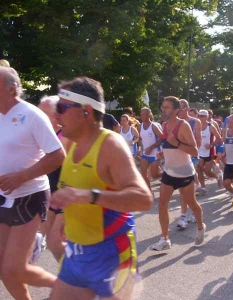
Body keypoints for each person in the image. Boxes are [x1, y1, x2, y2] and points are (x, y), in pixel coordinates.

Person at [50, 77, 153, 299]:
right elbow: (73, 190)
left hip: (112, 255)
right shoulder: (69, 143)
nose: (56, 114)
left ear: (85, 111)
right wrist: (63, 217)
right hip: (77, 253)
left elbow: (143, 198)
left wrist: (90, 196)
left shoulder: (110, 145)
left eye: (61, 107)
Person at [0, 67, 65, 300]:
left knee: (14, 269)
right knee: (4, 270)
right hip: (3, 198)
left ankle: (67, 286)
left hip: (30, 195)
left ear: (12, 88)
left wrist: (21, 176)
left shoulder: (32, 115)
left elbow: (58, 155)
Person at [150, 96, 205, 250]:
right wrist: (164, 153)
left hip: (184, 173)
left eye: (167, 107)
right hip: (169, 171)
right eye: (163, 107)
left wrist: (177, 143)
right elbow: (169, 146)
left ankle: (201, 227)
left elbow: (194, 150)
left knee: (192, 204)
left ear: (175, 110)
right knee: (162, 205)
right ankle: (165, 239)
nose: (163, 109)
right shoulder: (164, 125)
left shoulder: (184, 125)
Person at [37, 95, 71, 262]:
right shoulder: (46, 134)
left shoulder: (64, 136)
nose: (37, 115)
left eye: (42, 112)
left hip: (64, 197)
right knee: (53, 243)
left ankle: (74, 281)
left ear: (55, 115)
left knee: (57, 242)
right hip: (51, 196)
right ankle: (69, 279)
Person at [176, 99, 202, 227]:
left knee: (187, 190)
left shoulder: (195, 122)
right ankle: (185, 215)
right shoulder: (175, 122)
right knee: (182, 190)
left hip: (191, 158)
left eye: (180, 109)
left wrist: (183, 144)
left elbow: (199, 143)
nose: (178, 111)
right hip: (178, 158)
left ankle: (185, 215)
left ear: (186, 109)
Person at [196, 110, 223, 194]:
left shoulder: (210, 126)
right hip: (199, 151)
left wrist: (211, 145)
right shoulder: (196, 126)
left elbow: (219, 138)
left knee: (206, 171)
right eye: (199, 116)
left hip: (209, 152)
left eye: (202, 116)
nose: (200, 117)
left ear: (207, 117)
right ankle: (203, 187)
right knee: (199, 169)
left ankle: (217, 177)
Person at [138, 107, 163, 189]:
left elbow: (162, 138)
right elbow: (140, 139)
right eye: (141, 114)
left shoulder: (154, 126)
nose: (142, 116)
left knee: (155, 175)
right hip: (145, 154)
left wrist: (151, 147)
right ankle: (148, 191)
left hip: (155, 154)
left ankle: (167, 174)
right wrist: (140, 148)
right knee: (143, 172)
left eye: (144, 114)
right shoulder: (140, 126)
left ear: (149, 115)